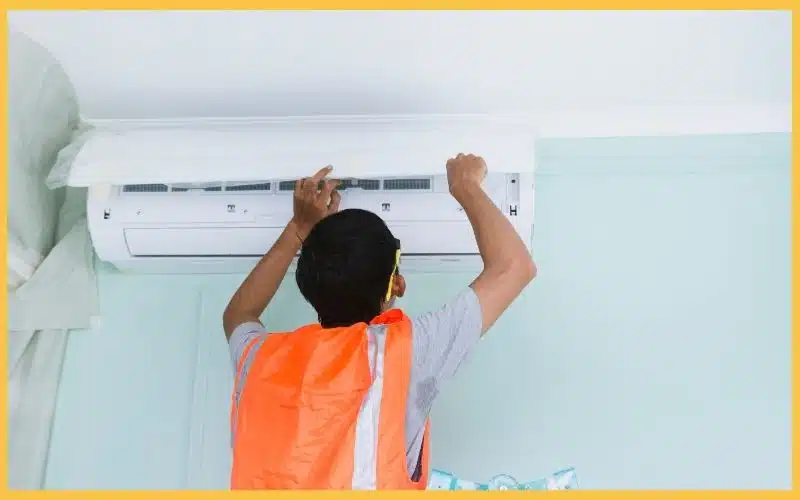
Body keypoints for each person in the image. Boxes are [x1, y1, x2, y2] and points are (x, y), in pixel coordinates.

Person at [223, 153, 536, 490]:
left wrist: (297, 230)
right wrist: (465, 185)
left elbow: (239, 313)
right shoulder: (403, 355)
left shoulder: (260, 360)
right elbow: (514, 267)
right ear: (396, 285)